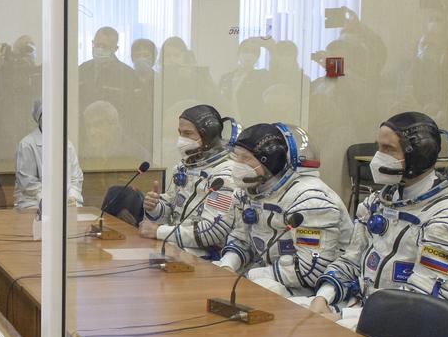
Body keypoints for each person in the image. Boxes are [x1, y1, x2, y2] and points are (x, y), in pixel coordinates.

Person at [308, 113, 448, 327]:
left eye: (388, 150)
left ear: (417, 156)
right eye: (378, 147)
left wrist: (344, 318)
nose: (378, 157)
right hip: (367, 312)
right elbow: (351, 260)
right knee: (294, 319)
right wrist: (323, 297)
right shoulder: (379, 203)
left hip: (424, 334)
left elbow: (425, 306)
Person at [214, 123, 352, 296]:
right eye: (237, 157)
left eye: (246, 158)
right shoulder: (249, 191)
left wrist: (251, 275)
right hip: (268, 277)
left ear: (270, 162)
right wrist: (227, 266)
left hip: (313, 292)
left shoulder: (309, 200)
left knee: (261, 290)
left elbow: (311, 271)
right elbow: (242, 240)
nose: (238, 165)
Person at [134, 105, 239, 257]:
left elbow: (212, 231)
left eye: (188, 134)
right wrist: (155, 207)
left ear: (207, 136)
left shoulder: (225, 175)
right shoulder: (184, 166)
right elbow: (171, 209)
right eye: (180, 133)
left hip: (209, 255)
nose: (182, 139)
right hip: (177, 245)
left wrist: (159, 231)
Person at [14, 100, 83, 209]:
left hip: (65, 203)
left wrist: (72, 195)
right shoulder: (27, 144)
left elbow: (76, 178)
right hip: (33, 203)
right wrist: (47, 199)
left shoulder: (67, 145)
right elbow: (27, 182)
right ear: (40, 120)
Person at [79, 26, 139, 109]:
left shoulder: (127, 75)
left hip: (116, 121)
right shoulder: (82, 70)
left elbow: (132, 108)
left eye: (104, 46)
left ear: (115, 48)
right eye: (97, 45)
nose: (100, 49)